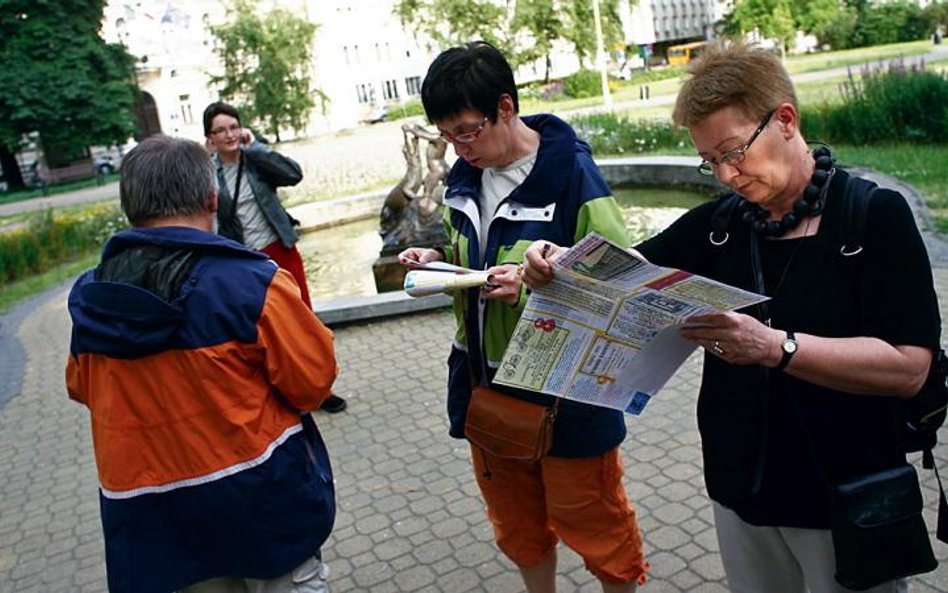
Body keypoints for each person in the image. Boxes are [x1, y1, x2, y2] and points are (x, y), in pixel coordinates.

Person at [523, 39, 940, 593]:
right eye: (710, 160)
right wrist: (554, 267)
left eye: (734, 151)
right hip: (741, 490)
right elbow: (624, 273)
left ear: (785, 120)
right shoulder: (721, 224)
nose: (724, 174)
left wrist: (776, 348)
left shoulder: (872, 219)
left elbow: (909, 366)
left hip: (846, 494)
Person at [397, 41, 649, 593]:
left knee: (594, 520)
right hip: (486, 383)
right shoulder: (465, 179)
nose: (460, 148)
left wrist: (534, 290)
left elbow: (623, 286)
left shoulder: (570, 177)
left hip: (565, 391)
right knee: (517, 524)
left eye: (468, 130)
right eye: (446, 135)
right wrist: (442, 266)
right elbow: (475, 264)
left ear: (505, 108)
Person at [65, 135, 339, 593]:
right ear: (211, 198)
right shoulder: (252, 284)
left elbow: (81, 388)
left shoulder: (92, 300)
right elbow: (313, 383)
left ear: (130, 206)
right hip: (261, 505)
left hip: (153, 524)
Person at [203, 101, 347, 414]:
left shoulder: (255, 159)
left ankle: (322, 389)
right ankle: (283, 392)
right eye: (220, 130)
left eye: (233, 127)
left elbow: (293, 174)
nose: (229, 135)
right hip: (242, 260)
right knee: (260, 329)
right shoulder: (207, 173)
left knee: (303, 321)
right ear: (210, 138)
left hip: (278, 249)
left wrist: (257, 148)